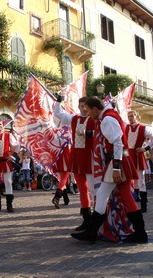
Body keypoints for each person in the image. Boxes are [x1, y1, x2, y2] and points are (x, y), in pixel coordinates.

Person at [71, 97, 147, 244]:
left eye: (88, 109)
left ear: (95, 109)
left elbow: (118, 143)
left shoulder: (107, 120)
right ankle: (140, 233)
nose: (87, 113)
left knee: (102, 195)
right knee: (126, 196)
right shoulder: (109, 116)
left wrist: (117, 167)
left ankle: (91, 232)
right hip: (120, 160)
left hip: (117, 161)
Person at [54, 95, 95, 230]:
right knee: (82, 189)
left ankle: (98, 219)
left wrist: (87, 133)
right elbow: (58, 113)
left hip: (90, 156)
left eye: (86, 106)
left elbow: (101, 133)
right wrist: (58, 101)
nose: (84, 109)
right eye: (82, 106)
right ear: (79, 107)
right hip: (77, 156)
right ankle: (87, 219)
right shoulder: (74, 118)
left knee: (93, 189)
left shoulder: (95, 119)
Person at [126, 110, 153, 212]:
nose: (130, 118)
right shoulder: (126, 128)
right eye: (129, 116)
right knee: (132, 180)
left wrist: (145, 149)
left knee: (141, 181)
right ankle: (134, 202)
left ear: (137, 117)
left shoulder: (144, 128)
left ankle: (144, 206)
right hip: (128, 155)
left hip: (138, 155)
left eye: (132, 116)